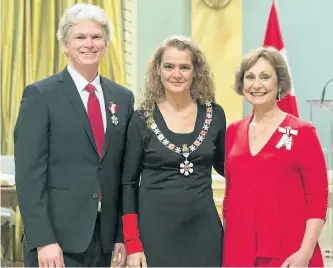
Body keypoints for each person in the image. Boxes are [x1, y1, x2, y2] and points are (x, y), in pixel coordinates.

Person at [14, 3, 133, 267]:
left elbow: (121, 171)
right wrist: (43, 240)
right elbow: (29, 175)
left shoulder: (122, 98)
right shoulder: (41, 95)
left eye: (96, 37)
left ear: (105, 43)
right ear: (65, 44)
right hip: (56, 243)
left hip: (104, 241)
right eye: (80, 37)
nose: (89, 44)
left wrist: (121, 236)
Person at [121, 36, 226, 267]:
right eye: (169, 66)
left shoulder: (215, 114)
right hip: (154, 233)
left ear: (195, 71)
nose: (176, 74)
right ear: (158, 70)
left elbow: (228, 166)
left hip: (204, 231)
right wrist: (132, 242)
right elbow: (128, 184)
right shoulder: (141, 119)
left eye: (184, 67)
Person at [222, 46, 329, 267]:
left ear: (279, 84)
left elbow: (318, 199)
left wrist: (305, 253)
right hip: (239, 252)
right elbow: (230, 196)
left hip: (289, 254)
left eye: (265, 77)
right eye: (249, 77)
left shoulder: (303, 132)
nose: (256, 84)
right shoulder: (232, 131)